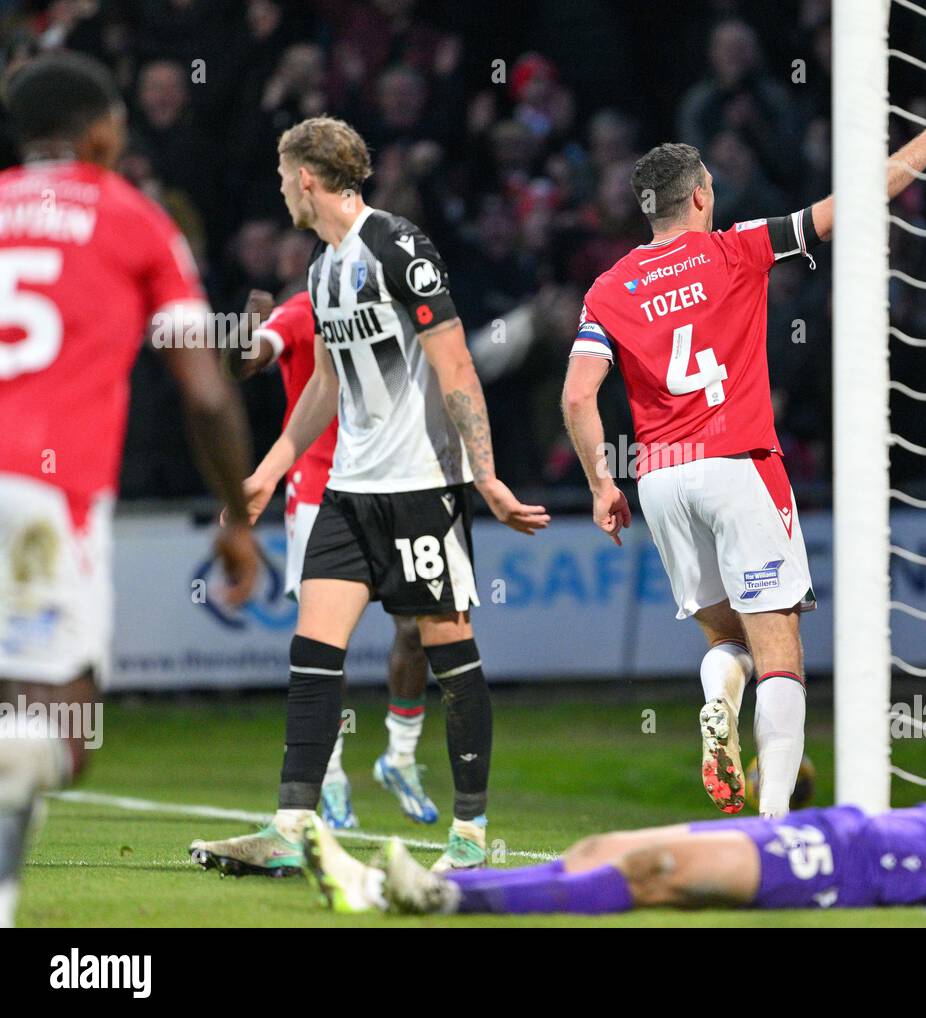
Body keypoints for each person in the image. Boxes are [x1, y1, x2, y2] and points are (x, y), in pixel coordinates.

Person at [561, 64, 926, 817]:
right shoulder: (736, 248)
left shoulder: (608, 287)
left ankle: (718, 694)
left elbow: (576, 396)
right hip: (740, 465)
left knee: (731, 640)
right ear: (699, 197)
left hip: (660, 481)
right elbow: (851, 204)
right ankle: (777, 823)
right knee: (781, 649)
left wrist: (601, 482)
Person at [189, 116, 548, 876]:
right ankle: (292, 827)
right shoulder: (323, 271)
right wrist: (271, 467)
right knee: (314, 655)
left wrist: (483, 478)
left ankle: (471, 837)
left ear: (309, 180)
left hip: (423, 489)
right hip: (349, 493)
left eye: (286, 176)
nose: (281, 188)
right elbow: (326, 383)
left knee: (451, 662)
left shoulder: (399, 247)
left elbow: (455, 367)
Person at [302, 658, 926, 916]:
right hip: (844, 828)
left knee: (657, 869)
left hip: (854, 868)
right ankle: (387, 890)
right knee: (603, 852)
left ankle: (437, 903)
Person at [0, 52, 259, 927]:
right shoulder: (133, 218)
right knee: (57, 734)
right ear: (106, 133)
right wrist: (239, 512)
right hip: (41, 499)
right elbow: (207, 390)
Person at [226, 289, 442, 829]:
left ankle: (400, 756)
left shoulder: (397, 307)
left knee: (416, 631)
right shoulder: (303, 310)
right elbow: (246, 362)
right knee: (327, 643)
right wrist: (247, 326)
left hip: (393, 487)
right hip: (319, 489)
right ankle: (332, 774)